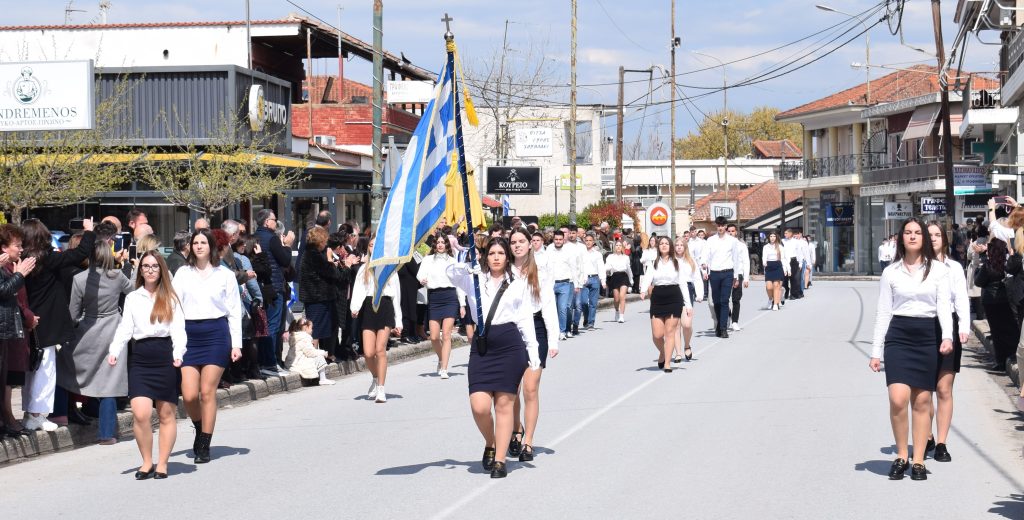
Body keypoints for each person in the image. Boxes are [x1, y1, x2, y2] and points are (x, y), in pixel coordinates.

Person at [446, 237, 540, 478]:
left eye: (500, 252)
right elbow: (450, 273)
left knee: (504, 405)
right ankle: (491, 441)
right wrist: (467, 263)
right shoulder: (475, 279)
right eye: (491, 253)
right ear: (485, 256)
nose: (496, 257)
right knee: (479, 406)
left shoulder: (518, 284)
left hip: (509, 345)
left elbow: (525, 320)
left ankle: (500, 460)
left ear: (507, 257)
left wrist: (534, 354)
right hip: (482, 345)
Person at [870, 217, 953, 481]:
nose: (914, 236)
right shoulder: (891, 272)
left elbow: (943, 307)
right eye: (908, 232)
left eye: (918, 232)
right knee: (897, 398)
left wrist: (947, 336)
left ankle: (918, 460)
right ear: (901, 237)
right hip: (899, 336)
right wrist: (875, 351)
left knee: (922, 400)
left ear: (924, 238)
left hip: (928, 335)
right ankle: (900, 455)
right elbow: (883, 311)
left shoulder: (938, 270)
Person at [107, 251, 186, 479]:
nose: (150, 270)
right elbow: (125, 329)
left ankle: (162, 463)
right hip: (140, 359)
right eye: (145, 266)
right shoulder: (133, 297)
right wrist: (114, 351)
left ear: (161, 270)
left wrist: (178, 352)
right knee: (140, 414)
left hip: (165, 357)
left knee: (166, 414)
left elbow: (178, 330)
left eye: (154, 266)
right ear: (140, 270)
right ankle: (146, 461)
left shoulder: (170, 297)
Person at [172, 228, 243, 464]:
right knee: (190, 395)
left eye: (203, 242)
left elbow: (234, 311)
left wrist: (236, 344)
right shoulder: (182, 273)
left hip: (216, 334)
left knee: (207, 391)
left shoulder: (224, 275)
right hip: (189, 335)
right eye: (195, 242)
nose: (199, 246)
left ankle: (204, 442)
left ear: (211, 246)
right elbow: (174, 308)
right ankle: (200, 425)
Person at [21, 217, 96, 432]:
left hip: (30, 319)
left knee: (32, 370)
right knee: (45, 369)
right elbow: (80, 254)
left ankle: (30, 413)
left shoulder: (25, 261)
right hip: (48, 323)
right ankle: (36, 414)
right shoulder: (47, 258)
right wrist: (88, 231)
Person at [63, 234, 134, 444]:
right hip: (114, 329)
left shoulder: (80, 278)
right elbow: (133, 292)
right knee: (110, 383)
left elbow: (73, 314)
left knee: (66, 367)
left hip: (89, 331)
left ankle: (63, 413)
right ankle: (106, 434)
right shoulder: (117, 276)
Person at [509, 227, 558, 463]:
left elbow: (548, 305)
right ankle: (516, 429)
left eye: (521, 241)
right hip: (510, 330)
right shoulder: (503, 270)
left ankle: (528, 440)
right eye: (513, 242)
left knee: (530, 388)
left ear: (531, 244)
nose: (517, 245)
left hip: (536, 329)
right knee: (512, 389)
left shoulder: (540, 271)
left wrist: (554, 339)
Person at [925, 221, 970, 463]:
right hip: (924, 325)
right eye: (928, 235)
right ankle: (928, 435)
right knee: (924, 391)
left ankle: (941, 442)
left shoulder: (954, 267)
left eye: (937, 234)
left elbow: (961, 298)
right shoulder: (918, 266)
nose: (933, 238)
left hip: (949, 325)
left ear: (944, 238)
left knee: (944, 388)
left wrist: (963, 327)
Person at [350, 237, 403, 403]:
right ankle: (375, 377)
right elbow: (358, 289)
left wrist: (398, 321)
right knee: (368, 352)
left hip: (385, 306)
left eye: (376, 244)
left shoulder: (390, 268)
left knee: (380, 350)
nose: (373, 247)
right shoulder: (364, 268)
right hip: (368, 307)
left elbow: (396, 296)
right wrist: (355, 307)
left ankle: (381, 388)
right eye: (371, 245)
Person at [0, 226, 37, 438]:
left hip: (8, 329)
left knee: (7, 377)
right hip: (4, 328)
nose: (21, 249)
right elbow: (4, 291)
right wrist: (20, 275)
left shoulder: (8, 267)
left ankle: (6, 420)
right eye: (17, 245)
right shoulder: (5, 268)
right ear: (4, 248)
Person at [639, 236, 693, 372]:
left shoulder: (677, 263)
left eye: (666, 243)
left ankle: (668, 363)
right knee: (657, 335)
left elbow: (682, 284)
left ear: (670, 247)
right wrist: (643, 290)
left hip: (674, 297)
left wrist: (688, 305)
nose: (663, 245)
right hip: (658, 298)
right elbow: (648, 277)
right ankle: (662, 352)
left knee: (670, 332)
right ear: (658, 247)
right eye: (661, 243)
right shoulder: (654, 262)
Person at [418, 234, 466, 379]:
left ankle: (444, 367)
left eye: (442, 242)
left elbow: (458, 284)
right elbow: (420, 275)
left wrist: (462, 304)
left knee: (446, 334)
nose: (440, 245)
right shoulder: (427, 260)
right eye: (437, 242)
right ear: (434, 244)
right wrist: (423, 280)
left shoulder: (452, 261)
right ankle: (441, 358)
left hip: (450, 297)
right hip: (434, 297)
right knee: (433, 336)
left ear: (447, 245)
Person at [254, 209, 291, 376]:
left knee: (264, 325)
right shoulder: (272, 238)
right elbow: (285, 260)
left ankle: (267, 362)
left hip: (260, 286)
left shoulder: (255, 237)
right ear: (267, 222)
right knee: (273, 325)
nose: (276, 223)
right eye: (274, 220)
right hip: (274, 287)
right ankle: (270, 363)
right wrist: (288, 246)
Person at [298, 227, 342, 362]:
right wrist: (330, 260)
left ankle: (321, 357)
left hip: (319, 296)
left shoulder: (312, 253)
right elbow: (331, 273)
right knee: (315, 329)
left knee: (322, 328)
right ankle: (312, 360)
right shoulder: (314, 255)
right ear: (320, 241)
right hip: (317, 297)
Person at [974, 238, 1017, 372]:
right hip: (1006, 300)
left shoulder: (988, 265)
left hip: (991, 301)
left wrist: (977, 270)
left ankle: (1001, 361)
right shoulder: (1007, 264)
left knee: (997, 331)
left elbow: (978, 282)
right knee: (1010, 329)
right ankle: (1011, 355)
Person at [703, 217, 743, 338]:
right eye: (718, 225)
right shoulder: (710, 240)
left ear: (725, 226)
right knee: (716, 302)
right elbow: (705, 255)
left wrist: (736, 276)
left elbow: (736, 258)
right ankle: (719, 324)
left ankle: (723, 328)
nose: (720, 227)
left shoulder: (732, 241)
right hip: (714, 273)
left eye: (722, 225)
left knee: (725, 300)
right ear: (716, 226)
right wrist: (704, 265)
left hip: (727, 273)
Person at [546, 230, 582, 340]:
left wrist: (576, 284)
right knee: (552, 309)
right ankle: (554, 330)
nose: (558, 241)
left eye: (560, 239)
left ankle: (562, 331)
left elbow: (573, 268)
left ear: (563, 240)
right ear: (553, 240)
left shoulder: (568, 252)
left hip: (565, 283)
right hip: (551, 284)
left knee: (563, 308)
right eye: (556, 239)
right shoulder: (549, 250)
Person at [673, 236, 703, 363]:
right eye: (677, 245)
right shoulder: (670, 260)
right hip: (674, 291)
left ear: (685, 247)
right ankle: (678, 352)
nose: (679, 247)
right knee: (676, 324)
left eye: (681, 245)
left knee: (686, 324)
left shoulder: (691, 261)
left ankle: (687, 344)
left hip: (688, 290)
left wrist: (699, 293)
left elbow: (697, 279)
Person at [287, 317, 334, 385]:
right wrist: (322, 352)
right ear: (306, 328)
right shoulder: (304, 338)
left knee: (317, 356)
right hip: (299, 363)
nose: (312, 330)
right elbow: (310, 353)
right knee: (319, 357)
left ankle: (316, 379)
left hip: (294, 362)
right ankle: (323, 379)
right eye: (311, 328)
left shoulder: (297, 337)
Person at [578, 233, 606, 331]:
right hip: (584, 279)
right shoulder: (581, 253)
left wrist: (603, 281)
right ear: (584, 241)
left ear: (593, 242)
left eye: (590, 240)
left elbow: (601, 267)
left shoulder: (597, 254)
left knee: (593, 303)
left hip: (594, 278)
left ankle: (591, 323)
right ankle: (586, 318)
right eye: (587, 240)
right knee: (584, 302)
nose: (588, 242)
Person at [726, 224, 751, 331]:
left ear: (736, 232)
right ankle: (728, 315)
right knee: (724, 299)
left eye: (733, 231)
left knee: (736, 299)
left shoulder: (741, 245)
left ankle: (735, 321)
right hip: (726, 273)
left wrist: (746, 278)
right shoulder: (723, 245)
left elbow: (746, 262)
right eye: (729, 231)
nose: (731, 233)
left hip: (739, 274)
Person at [605, 240, 633, 323]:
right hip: (615, 276)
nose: (618, 247)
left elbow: (628, 269)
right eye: (616, 245)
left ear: (622, 247)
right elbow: (607, 266)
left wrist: (631, 280)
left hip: (623, 276)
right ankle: (617, 311)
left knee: (622, 296)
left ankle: (621, 316)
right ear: (614, 247)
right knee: (616, 299)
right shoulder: (610, 257)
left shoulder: (626, 257)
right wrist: (605, 270)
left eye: (620, 245)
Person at [762, 231, 789, 310]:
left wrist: (785, 269)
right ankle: (771, 299)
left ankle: (776, 304)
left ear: (776, 237)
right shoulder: (766, 247)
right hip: (769, 266)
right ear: (768, 237)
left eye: (774, 236)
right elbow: (764, 257)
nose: (772, 238)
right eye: (771, 236)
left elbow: (783, 258)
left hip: (778, 265)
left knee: (776, 286)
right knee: (769, 287)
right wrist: (764, 263)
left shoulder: (780, 247)